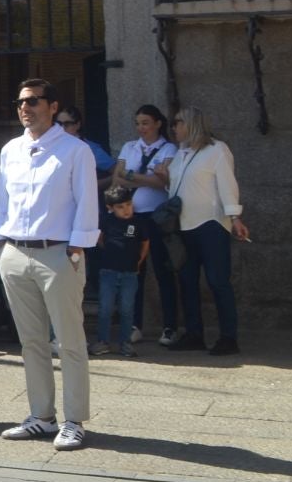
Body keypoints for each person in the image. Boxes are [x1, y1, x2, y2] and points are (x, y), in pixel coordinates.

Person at [0, 78, 101, 451]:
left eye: (34, 101)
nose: (26, 108)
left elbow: (87, 201)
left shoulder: (75, 150)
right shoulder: (11, 150)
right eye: (21, 102)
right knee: (30, 341)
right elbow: (2, 200)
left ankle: (74, 420)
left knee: (69, 341)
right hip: (15, 252)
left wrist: (76, 249)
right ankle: (41, 415)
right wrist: (0, 242)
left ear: (52, 106)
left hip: (58, 252)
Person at [164, 106, 250, 357]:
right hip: (183, 224)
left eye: (177, 122)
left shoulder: (217, 150)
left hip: (210, 224)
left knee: (217, 281)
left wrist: (235, 216)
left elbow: (227, 184)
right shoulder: (181, 154)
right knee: (187, 281)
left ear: (191, 124)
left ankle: (228, 337)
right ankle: (194, 334)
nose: (174, 127)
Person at [111, 104, 179, 346]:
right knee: (133, 272)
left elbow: (164, 183)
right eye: (138, 123)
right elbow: (116, 177)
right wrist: (147, 178)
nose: (141, 128)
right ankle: (133, 324)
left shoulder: (168, 148)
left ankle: (170, 326)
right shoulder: (130, 147)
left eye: (146, 123)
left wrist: (131, 177)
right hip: (133, 218)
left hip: (157, 218)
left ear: (158, 124)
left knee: (163, 271)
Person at [93, 187, 143, 358]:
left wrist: (138, 261)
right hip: (108, 271)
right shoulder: (106, 221)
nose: (126, 209)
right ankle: (103, 341)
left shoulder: (138, 222)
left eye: (128, 205)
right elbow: (99, 238)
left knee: (127, 308)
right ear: (110, 207)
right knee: (105, 307)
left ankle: (125, 343)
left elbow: (145, 243)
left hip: (130, 272)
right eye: (120, 206)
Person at [58, 106, 117, 184]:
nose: (62, 128)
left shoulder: (89, 148)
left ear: (77, 125)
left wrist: (95, 185)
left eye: (67, 124)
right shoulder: (52, 146)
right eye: (59, 124)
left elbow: (116, 171)